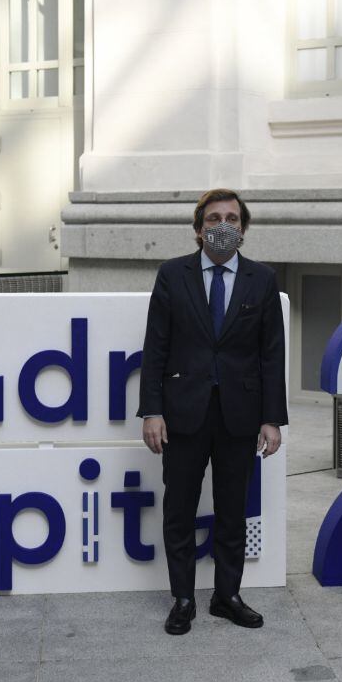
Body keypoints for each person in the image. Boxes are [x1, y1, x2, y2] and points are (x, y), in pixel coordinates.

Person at [138, 188, 288, 635]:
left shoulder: (261, 279)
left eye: (232, 218)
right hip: (183, 414)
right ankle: (183, 598)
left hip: (239, 418)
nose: (223, 225)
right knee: (179, 509)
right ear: (198, 228)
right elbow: (156, 349)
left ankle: (227, 595)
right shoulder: (172, 275)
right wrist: (152, 410)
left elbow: (271, 356)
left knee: (232, 512)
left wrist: (272, 418)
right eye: (214, 218)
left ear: (243, 228)